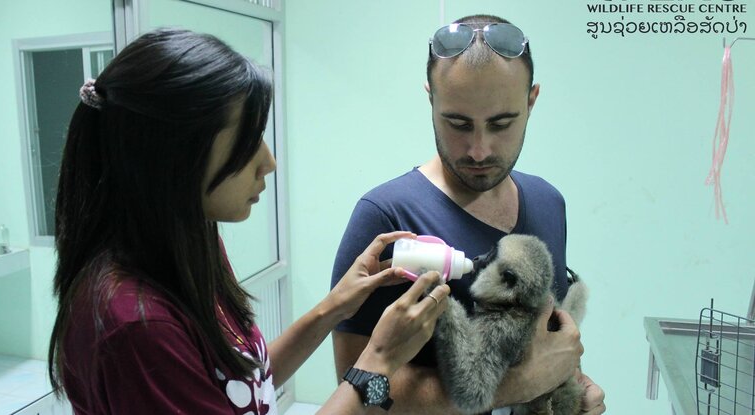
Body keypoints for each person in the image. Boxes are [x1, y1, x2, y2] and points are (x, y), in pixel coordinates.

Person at [47, 28, 451, 414]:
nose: (268, 162)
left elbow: (242, 385)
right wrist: (379, 362)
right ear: (174, 157)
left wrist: (335, 308)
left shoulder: (188, 245)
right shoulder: (136, 326)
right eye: (247, 141)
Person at [331, 14, 607, 415]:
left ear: (531, 101)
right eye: (458, 123)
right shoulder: (385, 219)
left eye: (501, 123)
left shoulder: (549, 202)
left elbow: (547, 342)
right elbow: (359, 396)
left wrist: (575, 386)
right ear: (431, 99)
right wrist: (517, 384)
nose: (479, 150)